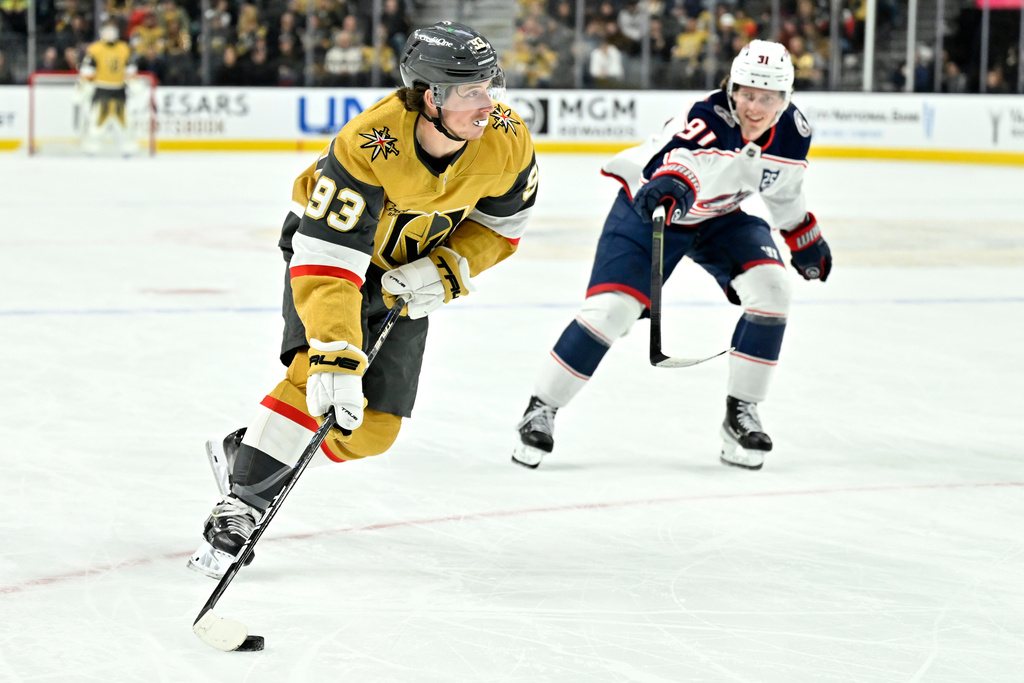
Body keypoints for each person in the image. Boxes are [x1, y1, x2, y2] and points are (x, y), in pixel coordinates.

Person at [189, 21, 539, 578]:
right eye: (471, 91)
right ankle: (239, 509)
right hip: (331, 262)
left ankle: (251, 448)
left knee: (373, 431)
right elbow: (327, 263)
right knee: (320, 378)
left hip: (407, 273)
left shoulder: (507, 138)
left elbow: (506, 224)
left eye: (489, 87)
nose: (486, 104)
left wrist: (451, 265)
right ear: (432, 97)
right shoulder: (369, 144)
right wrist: (335, 350)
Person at [511, 39, 831, 471]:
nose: (755, 107)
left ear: (785, 99)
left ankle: (741, 415)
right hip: (651, 210)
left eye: (768, 97)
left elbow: (783, 190)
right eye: (747, 93)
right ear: (731, 88)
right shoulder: (707, 116)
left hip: (720, 216)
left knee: (773, 291)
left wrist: (801, 234)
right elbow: (680, 157)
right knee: (610, 312)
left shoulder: (794, 133)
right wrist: (675, 183)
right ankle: (542, 408)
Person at [78, 23, 139, 155]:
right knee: (97, 120)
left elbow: (129, 68)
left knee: (125, 121)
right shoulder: (95, 49)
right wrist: (84, 87)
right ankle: (91, 147)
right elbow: (88, 70)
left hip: (119, 89)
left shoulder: (124, 48)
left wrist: (133, 83)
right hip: (101, 89)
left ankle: (127, 147)